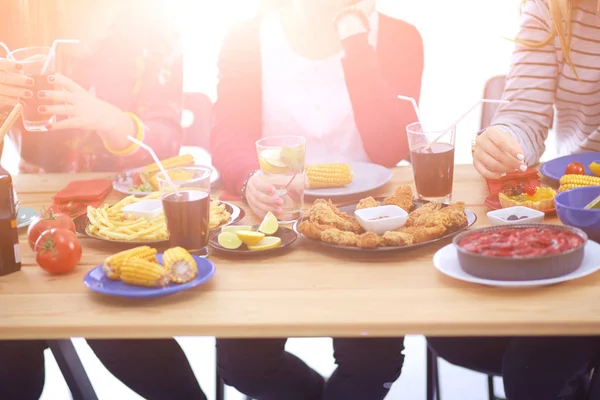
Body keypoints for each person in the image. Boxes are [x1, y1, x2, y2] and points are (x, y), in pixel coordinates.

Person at [210, 0, 423, 398]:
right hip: (275, 221)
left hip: (367, 226)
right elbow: (227, 133)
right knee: (243, 365)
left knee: (372, 367)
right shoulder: (245, 36)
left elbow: (388, 147)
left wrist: (354, 38)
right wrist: (248, 178)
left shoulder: (399, 37)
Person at [0, 1, 206, 399]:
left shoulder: (155, 23)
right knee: (14, 360)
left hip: (123, 224)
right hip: (37, 220)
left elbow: (166, 140)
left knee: (125, 341)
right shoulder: (16, 19)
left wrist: (108, 119)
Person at [436, 1, 600, 399]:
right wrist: (504, 140)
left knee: (533, 369)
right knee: (453, 337)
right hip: (576, 214)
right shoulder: (551, 8)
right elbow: (524, 113)